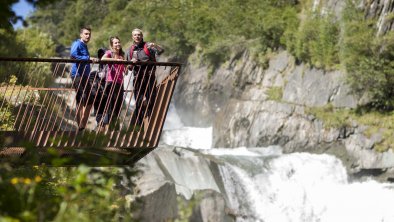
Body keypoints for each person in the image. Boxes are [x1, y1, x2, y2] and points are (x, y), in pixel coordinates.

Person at [124, 28, 164, 129]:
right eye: (135, 35)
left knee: (151, 100)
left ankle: (151, 124)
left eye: (139, 35)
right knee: (139, 102)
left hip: (150, 77)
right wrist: (131, 63)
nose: (137, 37)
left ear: (142, 36)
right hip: (138, 79)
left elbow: (161, 51)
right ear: (132, 37)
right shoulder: (129, 50)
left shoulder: (149, 46)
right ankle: (139, 125)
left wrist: (156, 45)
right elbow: (128, 68)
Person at [70, 27, 98, 131]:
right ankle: (80, 127)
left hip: (85, 76)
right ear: (81, 34)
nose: (88, 36)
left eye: (89, 34)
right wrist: (88, 58)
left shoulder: (84, 45)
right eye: (86, 34)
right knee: (80, 100)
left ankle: (82, 125)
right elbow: (73, 55)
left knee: (90, 100)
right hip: (77, 75)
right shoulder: (77, 43)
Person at [99, 36, 126, 131]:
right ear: (112, 45)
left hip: (120, 83)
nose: (118, 44)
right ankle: (110, 129)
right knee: (111, 107)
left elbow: (125, 71)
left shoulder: (122, 55)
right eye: (115, 43)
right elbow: (102, 59)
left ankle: (115, 129)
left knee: (118, 107)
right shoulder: (109, 53)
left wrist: (126, 64)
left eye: (118, 42)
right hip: (111, 82)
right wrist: (116, 60)